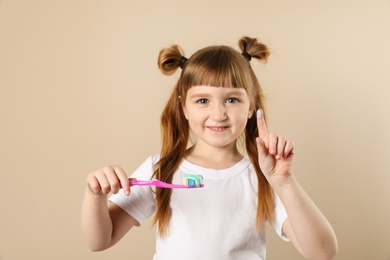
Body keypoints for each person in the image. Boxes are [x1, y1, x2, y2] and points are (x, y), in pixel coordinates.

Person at [81, 36, 338, 260]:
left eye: (232, 99)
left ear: (250, 106)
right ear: (184, 107)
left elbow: (322, 252)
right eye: (203, 100)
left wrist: (284, 181)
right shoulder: (161, 170)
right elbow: (100, 241)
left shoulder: (263, 175)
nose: (218, 113)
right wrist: (95, 195)